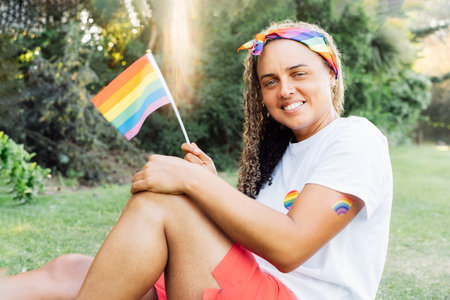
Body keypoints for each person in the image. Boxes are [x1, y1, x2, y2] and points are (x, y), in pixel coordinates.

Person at [0, 20, 392, 300]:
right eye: (270, 81)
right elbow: (254, 239)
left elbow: (289, 248)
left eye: (298, 73)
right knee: (73, 269)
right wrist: (211, 186)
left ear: (331, 74)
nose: (285, 89)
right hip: (248, 284)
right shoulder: (283, 154)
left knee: (164, 202)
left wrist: (195, 185)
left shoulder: (355, 138)